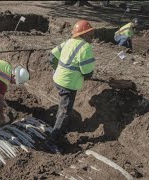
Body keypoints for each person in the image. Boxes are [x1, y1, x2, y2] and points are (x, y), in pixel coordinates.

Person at [47, 20, 95, 153]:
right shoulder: (85, 48)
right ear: (84, 34)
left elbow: (53, 55)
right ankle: (53, 140)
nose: (92, 36)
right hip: (68, 84)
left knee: (63, 106)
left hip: (58, 79)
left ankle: (59, 124)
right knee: (65, 111)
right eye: (90, 34)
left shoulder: (68, 41)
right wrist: (86, 76)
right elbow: (87, 72)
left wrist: (55, 68)